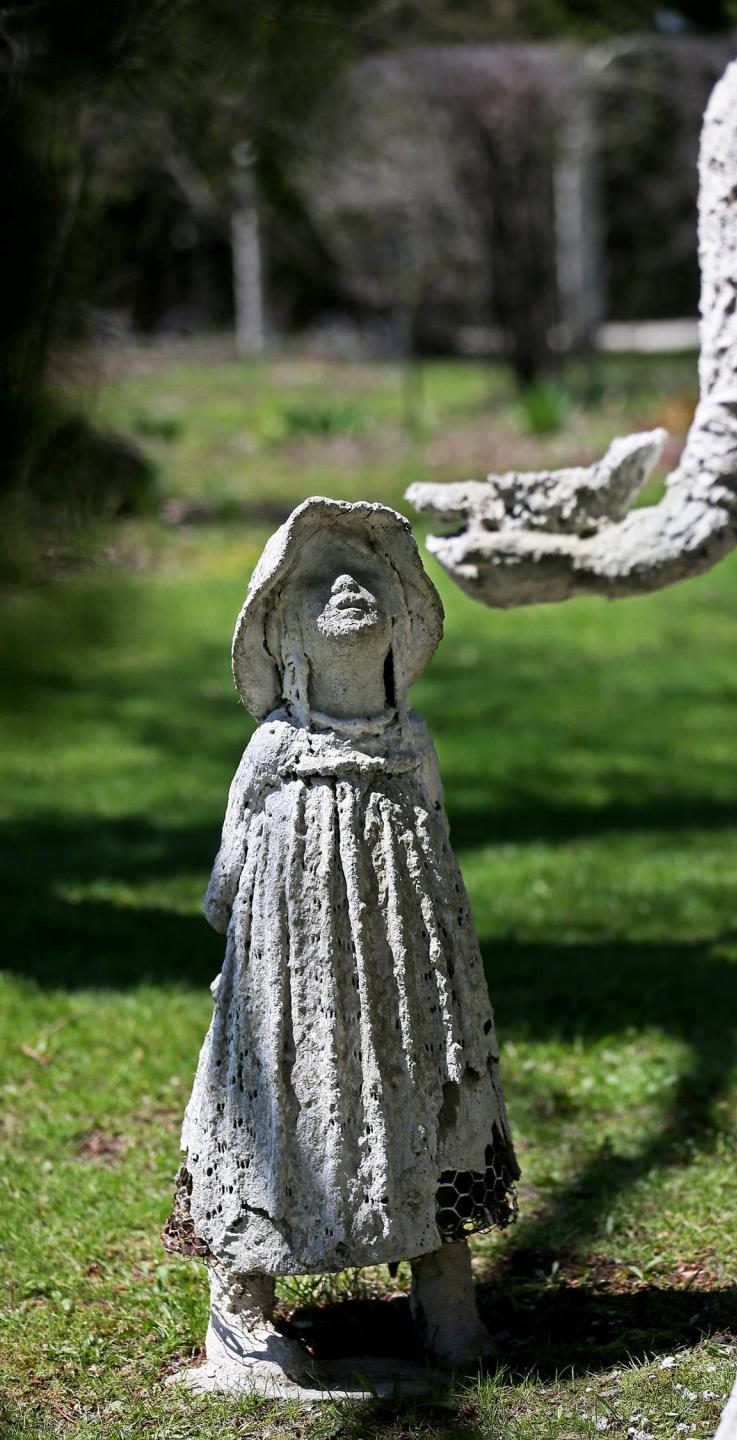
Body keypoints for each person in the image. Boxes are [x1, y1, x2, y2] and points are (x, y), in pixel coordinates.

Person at [164, 497, 518, 1394]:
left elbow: (439, 848)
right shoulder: (275, 748)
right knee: (277, 1095)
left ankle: (446, 1308)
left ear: (403, 617)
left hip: (409, 966)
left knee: (423, 1081)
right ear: (283, 626)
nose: (351, 589)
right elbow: (226, 880)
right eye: (322, 580)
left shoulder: (411, 742)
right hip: (288, 978)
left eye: (370, 576)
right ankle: (241, 1320)